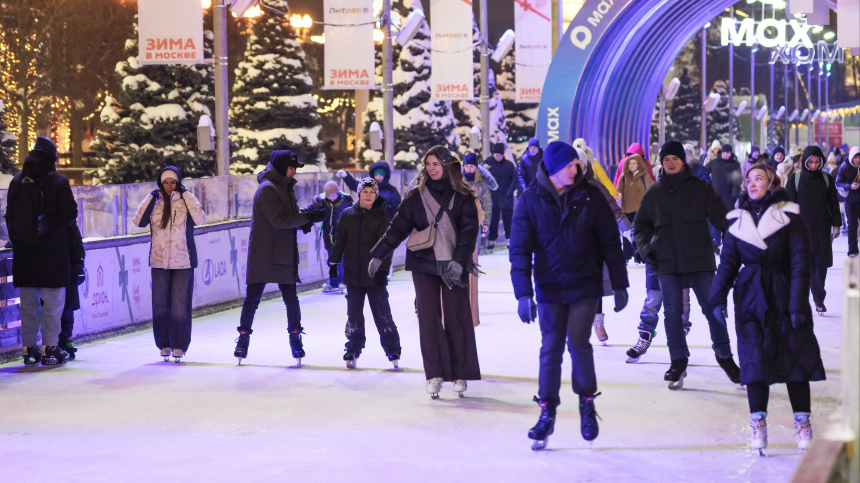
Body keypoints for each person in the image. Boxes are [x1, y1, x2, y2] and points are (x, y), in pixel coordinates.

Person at [510, 141, 629, 450]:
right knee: (550, 348)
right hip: (549, 288)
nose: (577, 169)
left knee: (578, 343)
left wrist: (619, 283)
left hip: (584, 286)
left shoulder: (590, 196)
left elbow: (610, 243)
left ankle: (587, 404)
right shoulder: (529, 201)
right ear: (553, 168)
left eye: (577, 165)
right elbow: (519, 250)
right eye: (570, 166)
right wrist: (523, 294)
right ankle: (547, 412)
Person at [710, 163, 824, 452]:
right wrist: (717, 296)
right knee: (754, 362)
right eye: (749, 179)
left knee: (794, 360)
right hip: (750, 298)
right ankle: (758, 425)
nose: (751, 183)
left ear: (772, 182)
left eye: (758, 178)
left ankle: (802, 423)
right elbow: (727, 264)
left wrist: (798, 303)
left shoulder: (789, 215)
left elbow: (801, 263)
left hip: (784, 295)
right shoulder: (738, 221)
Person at [370, 145, 481, 398]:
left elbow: (468, 233)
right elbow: (397, 229)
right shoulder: (415, 196)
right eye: (428, 164)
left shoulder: (463, 196)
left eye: (436, 164)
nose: (431, 168)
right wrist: (378, 254)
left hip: (454, 265)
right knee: (428, 320)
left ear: (448, 166)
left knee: (457, 318)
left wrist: (459, 261)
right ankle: (433, 374)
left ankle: (460, 372)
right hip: (423, 264)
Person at [634, 140, 741, 389]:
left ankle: (724, 356)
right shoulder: (655, 192)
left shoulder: (700, 188)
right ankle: (678, 361)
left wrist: (736, 236)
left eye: (675, 159)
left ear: (683, 161)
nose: (670, 163)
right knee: (672, 314)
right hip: (667, 261)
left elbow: (721, 216)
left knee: (713, 308)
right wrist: (646, 248)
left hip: (699, 258)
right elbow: (641, 225)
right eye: (666, 159)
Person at [233, 150, 325, 365]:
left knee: (291, 298)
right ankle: (243, 339)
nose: (294, 172)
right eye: (292, 168)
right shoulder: (267, 189)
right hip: (264, 253)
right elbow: (279, 220)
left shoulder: (284, 186)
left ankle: (295, 338)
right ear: (282, 167)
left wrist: (307, 218)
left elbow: (288, 216)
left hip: (283, 251)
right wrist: (306, 217)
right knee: (253, 298)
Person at [7, 137, 77, 366]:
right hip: (52, 253)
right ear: (53, 158)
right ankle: (50, 348)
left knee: (29, 304)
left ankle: (29, 349)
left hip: (24, 254)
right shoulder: (58, 182)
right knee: (53, 304)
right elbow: (69, 216)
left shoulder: (17, 181)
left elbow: (9, 215)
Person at [134, 166, 206, 362]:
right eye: (165, 182)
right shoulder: (155, 202)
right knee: (160, 304)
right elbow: (138, 221)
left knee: (180, 304)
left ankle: (179, 344)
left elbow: (200, 219)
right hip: (159, 262)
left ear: (179, 182)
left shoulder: (186, 200)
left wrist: (186, 195)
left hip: (183, 261)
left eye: (173, 182)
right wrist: (150, 197)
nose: (169, 186)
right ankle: (164, 343)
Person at [329, 178, 401, 369]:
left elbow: (387, 247)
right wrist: (334, 262)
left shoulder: (381, 216)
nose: (368, 195)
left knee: (382, 314)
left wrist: (382, 271)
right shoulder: (348, 215)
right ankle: (353, 347)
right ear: (359, 193)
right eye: (365, 192)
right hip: (353, 274)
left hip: (374, 275)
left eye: (372, 192)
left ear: (376, 195)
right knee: (354, 314)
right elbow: (340, 240)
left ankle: (392, 348)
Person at [785, 146, 842, 314]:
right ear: (805, 161)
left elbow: (833, 203)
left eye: (817, 162)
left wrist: (836, 224)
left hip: (821, 230)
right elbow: (788, 205)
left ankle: (818, 298)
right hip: (801, 231)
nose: (814, 165)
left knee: (820, 267)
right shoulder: (795, 179)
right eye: (811, 162)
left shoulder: (826, 179)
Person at [463, 152, 496, 326]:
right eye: (466, 166)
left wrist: (487, 222)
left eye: (471, 166)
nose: (468, 169)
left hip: (475, 223)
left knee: (472, 253)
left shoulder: (481, 184)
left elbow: (487, 203)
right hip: (458, 225)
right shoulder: (458, 181)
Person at [305, 180, 353, 294]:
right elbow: (311, 209)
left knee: (339, 261)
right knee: (331, 261)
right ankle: (335, 283)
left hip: (342, 236)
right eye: (329, 195)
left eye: (333, 195)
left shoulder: (346, 201)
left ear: (337, 193)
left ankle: (341, 283)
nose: (331, 197)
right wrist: (300, 212)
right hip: (329, 236)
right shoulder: (322, 201)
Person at [705, 144, 742, 252]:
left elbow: (737, 182)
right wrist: (708, 184)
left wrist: (734, 196)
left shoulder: (734, 165)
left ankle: (728, 244)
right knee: (715, 221)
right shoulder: (714, 162)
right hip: (715, 196)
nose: (728, 154)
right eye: (726, 152)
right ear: (722, 153)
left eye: (730, 152)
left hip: (729, 198)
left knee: (728, 222)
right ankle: (715, 243)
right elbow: (704, 172)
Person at [57, 224, 86, 360]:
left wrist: (79, 266)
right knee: (54, 308)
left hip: (69, 269)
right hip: (53, 268)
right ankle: (54, 342)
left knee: (68, 308)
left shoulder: (68, 221)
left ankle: (65, 339)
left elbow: (77, 243)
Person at [483, 143, 516, 251]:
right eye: (496, 155)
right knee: (493, 219)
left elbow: (514, 180)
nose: (498, 157)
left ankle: (509, 239)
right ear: (493, 154)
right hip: (493, 197)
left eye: (500, 156)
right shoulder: (488, 163)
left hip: (506, 197)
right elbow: (480, 176)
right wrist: (483, 168)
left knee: (508, 219)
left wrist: (510, 191)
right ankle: (491, 240)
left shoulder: (509, 165)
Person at [835, 146, 860, 257]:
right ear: (851, 157)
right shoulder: (844, 168)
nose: (858, 160)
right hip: (851, 201)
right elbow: (838, 184)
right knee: (852, 226)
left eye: (859, 157)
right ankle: (853, 250)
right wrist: (849, 186)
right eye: (855, 157)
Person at [616, 153, 653, 222]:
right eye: (630, 163)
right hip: (627, 209)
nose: (631, 165)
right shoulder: (623, 176)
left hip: (640, 210)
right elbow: (619, 189)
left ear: (638, 164)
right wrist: (619, 195)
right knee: (629, 230)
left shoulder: (644, 176)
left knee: (638, 229)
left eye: (634, 163)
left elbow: (652, 189)